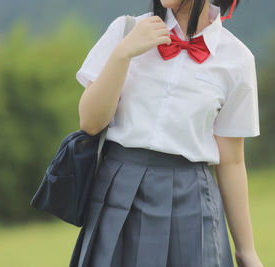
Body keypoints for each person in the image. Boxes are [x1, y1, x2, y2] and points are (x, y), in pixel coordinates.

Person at [71, 0, 264, 266]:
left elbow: (231, 161)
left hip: (193, 202)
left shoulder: (237, 59)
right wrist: (123, 53)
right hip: (119, 192)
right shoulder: (125, 30)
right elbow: (90, 122)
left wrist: (247, 251)